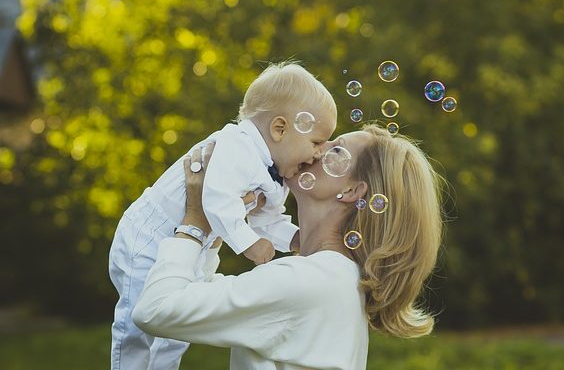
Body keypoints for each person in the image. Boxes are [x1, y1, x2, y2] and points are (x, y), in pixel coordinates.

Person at [132, 124, 444, 369]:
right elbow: (191, 289)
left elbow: (156, 309)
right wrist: (218, 219)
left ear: (352, 190)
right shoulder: (332, 278)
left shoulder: (307, 282)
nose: (318, 148)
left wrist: (196, 221)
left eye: (337, 149)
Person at [109, 62, 337, 370]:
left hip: (193, 245)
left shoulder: (276, 177)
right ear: (279, 129)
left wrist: (298, 239)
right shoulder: (237, 145)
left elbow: (268, 220)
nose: (321, 153)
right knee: (137, 322)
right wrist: (249, 243)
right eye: (316, 142)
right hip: (149, 235)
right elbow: (216, 199)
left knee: (176, 327)